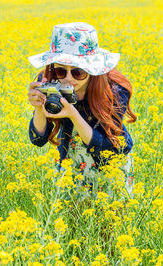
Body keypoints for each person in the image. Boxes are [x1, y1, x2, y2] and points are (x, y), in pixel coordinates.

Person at [27, 22, 137, 199]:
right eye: (61, 70)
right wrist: (39, 108)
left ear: (92, 69)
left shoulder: (114, 90)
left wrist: (73, 114)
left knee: (110, 222)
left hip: (111, 165)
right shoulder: (50, 80)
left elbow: (108, 152)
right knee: (72, 220)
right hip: (72, 162)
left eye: (78, 72)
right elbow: (38, 139)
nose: (69, 79)